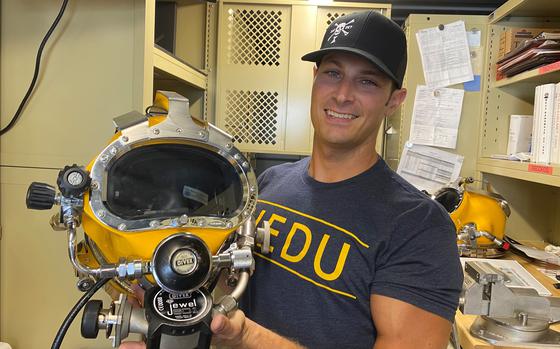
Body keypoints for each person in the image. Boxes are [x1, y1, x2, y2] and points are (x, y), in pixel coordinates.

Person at [121, 10, 463, 349]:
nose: (343, 94)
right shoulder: (270, 184)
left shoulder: (419, 227)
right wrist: (170, 300)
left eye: (367, 81)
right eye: (333, 73)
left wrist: (247, 338)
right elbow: (231, 289)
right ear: (315, 78)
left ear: (394, 100)